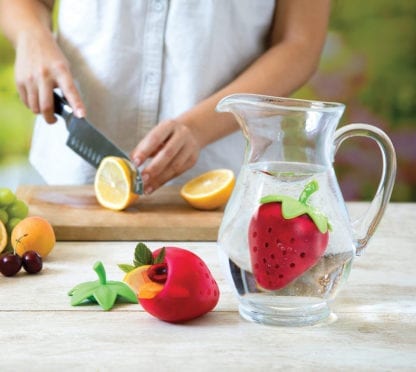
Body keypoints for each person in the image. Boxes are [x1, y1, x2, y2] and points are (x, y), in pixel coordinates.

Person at [0, 0, 331, 194]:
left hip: (221, 176)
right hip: (69, 174)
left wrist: (199, 128)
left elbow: (298, 43)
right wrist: (30, 35)